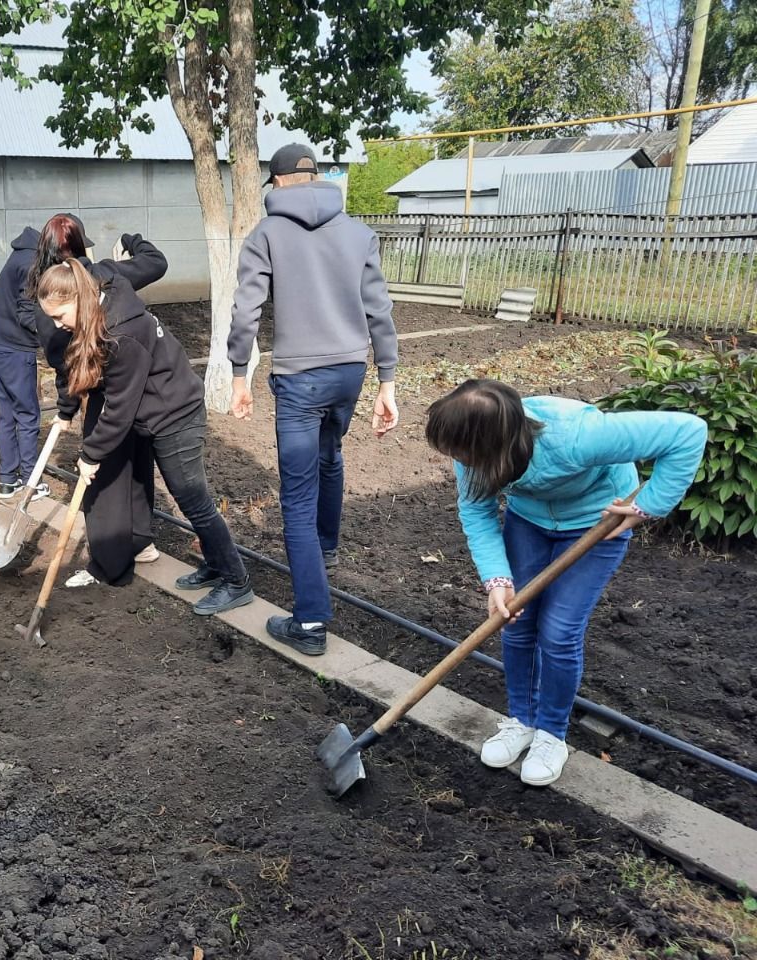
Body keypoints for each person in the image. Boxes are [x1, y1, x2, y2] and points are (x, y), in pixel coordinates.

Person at [426, 379, 706, 786]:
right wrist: (497, 580)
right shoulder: (467, 449)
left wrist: (648, 506)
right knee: (514, 620)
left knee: (559, 632)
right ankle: (521, 720)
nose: (458, 462)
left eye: (463, 454)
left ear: (495, 443)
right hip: (528, 522)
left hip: (597, 524)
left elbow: (687, 432)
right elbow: (477, 512)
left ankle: (551, 735)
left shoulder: (577, 435)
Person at [228, 142, 399, 657]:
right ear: (317, 177)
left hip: (300, 378)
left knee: (295, 499)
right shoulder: (358, 232)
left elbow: (246, 311)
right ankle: (327, 548)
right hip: (349, 373)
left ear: (277, 183)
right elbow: (380, 311)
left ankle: (309, 624)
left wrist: (240, 373)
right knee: (331, 455)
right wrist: (387, 382)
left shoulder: (266, 234)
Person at [36, 259, 254, 617]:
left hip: (176, 415)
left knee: (193, 499)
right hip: (158, 412)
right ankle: (215, 566)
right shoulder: (106, 308)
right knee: (190, 499)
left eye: (60, 316)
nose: (59, 326)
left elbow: (120, 408)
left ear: (81, 299)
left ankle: (236, 579)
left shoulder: (124, 334)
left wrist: (90, 454)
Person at [26, 214, 170, 587]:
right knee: (136, 464)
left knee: (100, 476)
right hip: (139, 386)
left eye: (61, 318)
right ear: (82, 246)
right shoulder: (106, 272)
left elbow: (64, 363)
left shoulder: (50, 294)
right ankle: (140, 543)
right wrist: (131, 239)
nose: (59, 323)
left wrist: (69, 410)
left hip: (109, 385)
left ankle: (109, 564)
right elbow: (156, 262)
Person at [0, 224, 50, 500]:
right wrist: (54, 331)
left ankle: (8, 480)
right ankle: (31, 480)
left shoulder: (17, 257)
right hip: (14, 349)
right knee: (27, 414)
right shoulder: (31, 265)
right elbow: (26, 315)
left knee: (7, 414)